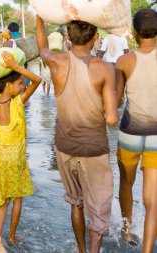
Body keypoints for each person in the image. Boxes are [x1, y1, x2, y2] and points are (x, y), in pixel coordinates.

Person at [36, 15, 118, 253]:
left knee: (76, 202)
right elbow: (112, 119)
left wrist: (40, 20)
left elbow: (41, 48)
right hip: (94, 150)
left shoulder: (56, 61)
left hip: (64, 147)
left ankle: (81, 250)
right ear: (94, 38)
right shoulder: (104, 68)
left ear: (68, 38)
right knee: (98, 209)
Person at [0, 51, 42, 253]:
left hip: (1, 158)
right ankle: (11, 236)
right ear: (9, 85)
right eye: (19, 83)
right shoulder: (18, 103)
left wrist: (7, 72)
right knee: (17, 198)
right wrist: (17, 66)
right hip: (16, 160)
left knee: (3, 199)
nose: (23, 86)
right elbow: (38, 80)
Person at [115, 9, 157, 252]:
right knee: (152, 201)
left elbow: (118, 101)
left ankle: (127, 230)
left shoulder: (124, 61)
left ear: (134, 33)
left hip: (130, 133)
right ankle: (148, 249)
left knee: (126, 183)